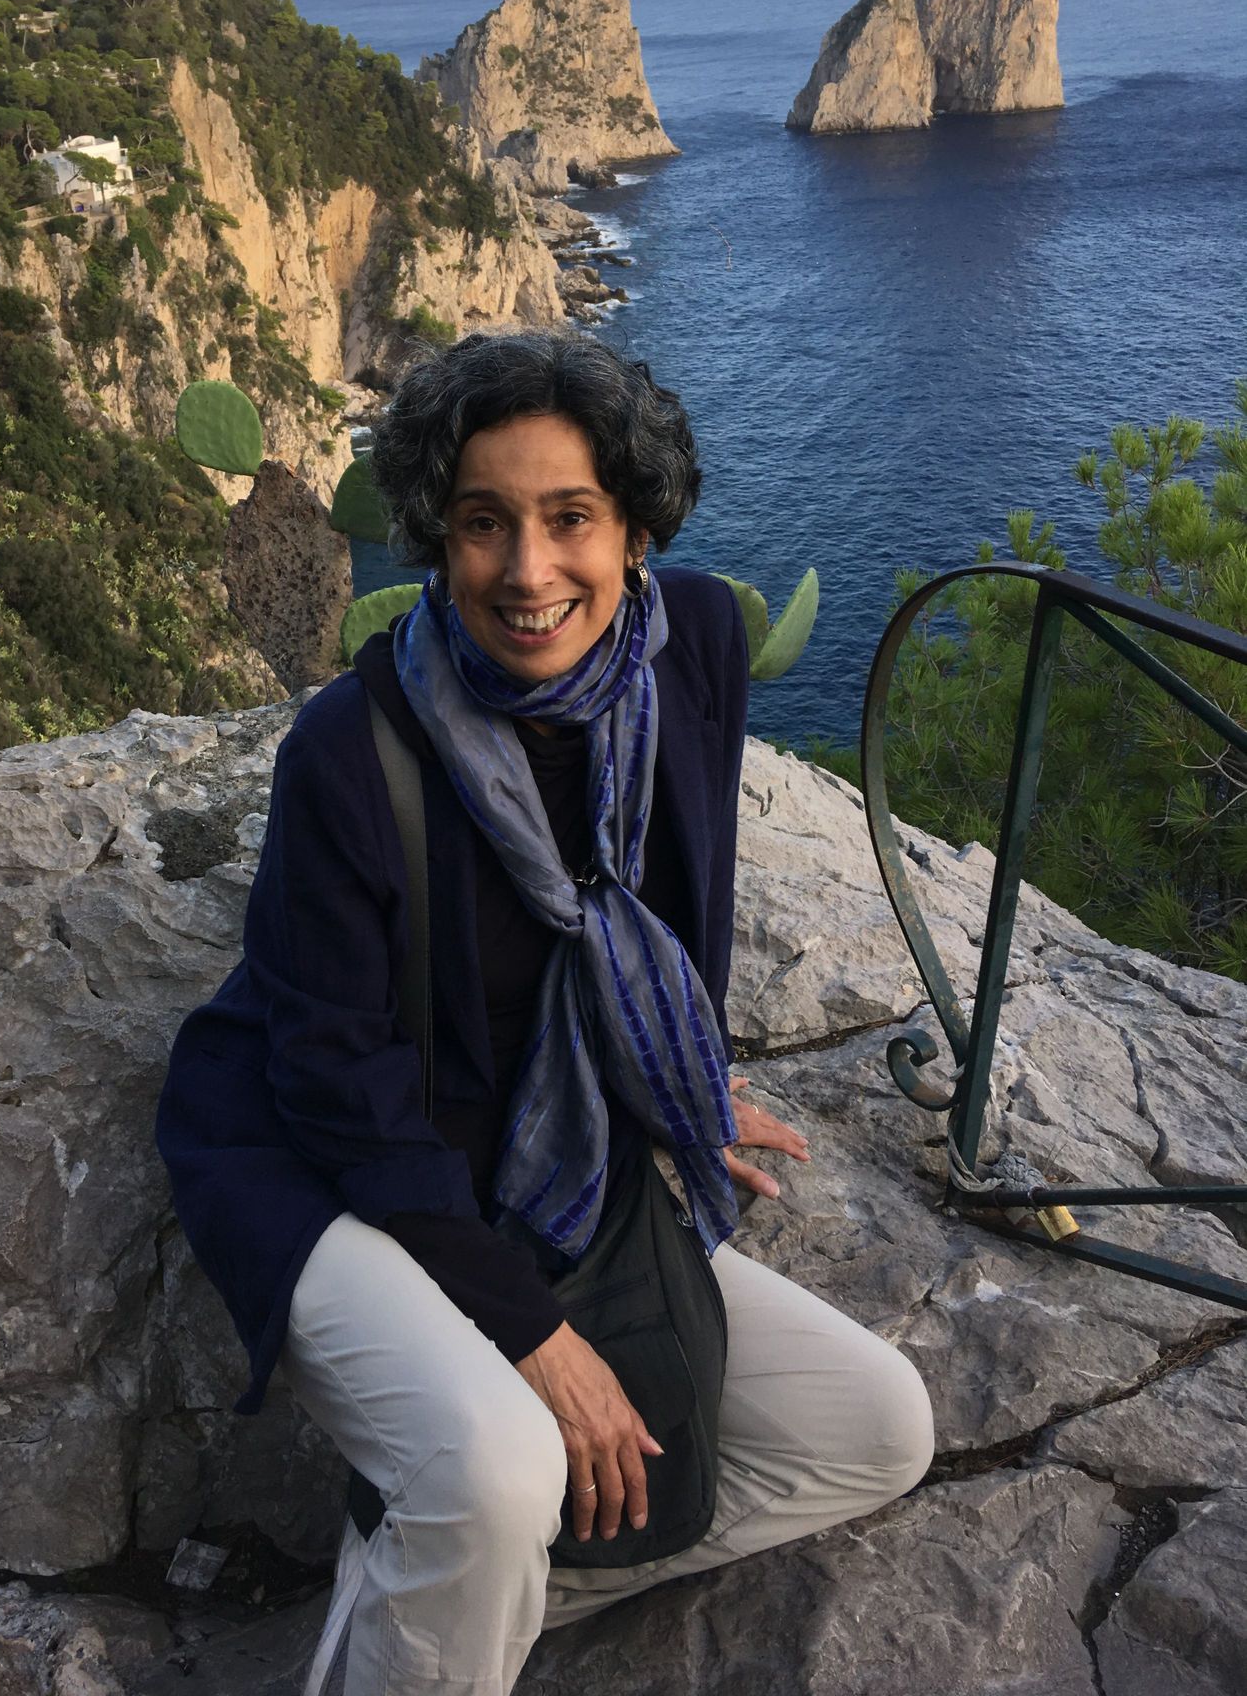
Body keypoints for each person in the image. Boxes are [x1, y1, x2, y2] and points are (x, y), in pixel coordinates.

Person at [156, 331, 934, 1696]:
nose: (527, 571)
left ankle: (454, 1593)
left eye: (571, 517)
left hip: (544, 1156)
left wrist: (680, 1076)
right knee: (505, 1464)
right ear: (435, 534)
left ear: (635, 527)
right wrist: (535, 1338)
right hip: (328, 1170)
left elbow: (681, 899)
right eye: (483, 523)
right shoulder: (351, 751)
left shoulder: (691, 648)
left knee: (875, 1425)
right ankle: (455, 1574)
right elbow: (334, 1083)